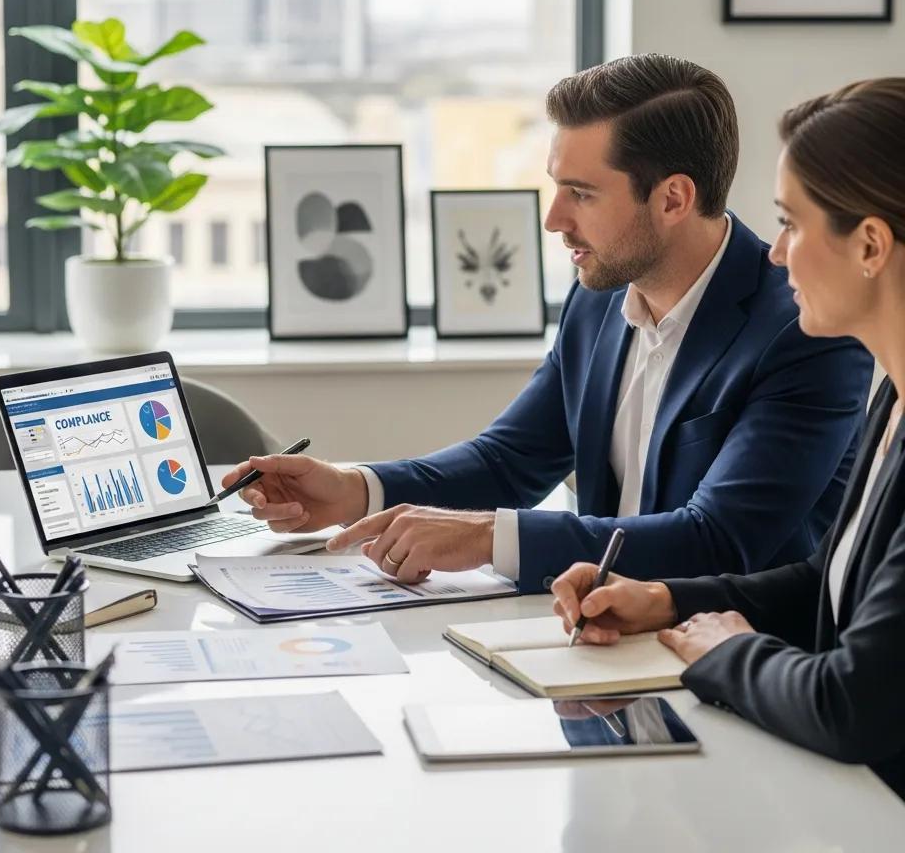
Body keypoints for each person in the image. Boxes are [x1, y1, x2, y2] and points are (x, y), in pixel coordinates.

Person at [222, 54, 872, 593]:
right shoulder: (597, 295)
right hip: (594, 634)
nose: (554, 218)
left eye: (582, 194)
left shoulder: (805, 328)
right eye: (557, 186)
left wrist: (486, 538)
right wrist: (355, 487)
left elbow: (720, 539)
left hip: (735, 660)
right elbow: (512, 461)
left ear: (674, 198)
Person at [550, 78, 905, 798]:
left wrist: (728, 650)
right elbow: (829, 584)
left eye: (791, 225)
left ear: (869, 244)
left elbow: (853, 703)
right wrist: (666, 598)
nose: (775, 255)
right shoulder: (895, 397)